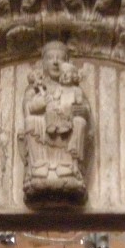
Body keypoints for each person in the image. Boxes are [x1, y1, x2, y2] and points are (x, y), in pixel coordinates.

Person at [18, 40, 91, 202]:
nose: (56, 62)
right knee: (31, 121)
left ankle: (70, 167)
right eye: (51, 58)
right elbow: (27, 108)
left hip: (66, 127)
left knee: (79, 122)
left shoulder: (75, 89)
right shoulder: (35, 87)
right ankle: (39, 167)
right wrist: (40, 102)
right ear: (43, 63)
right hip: (45, 128)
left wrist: (81, 111)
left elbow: (85, 108)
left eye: (61, 58)